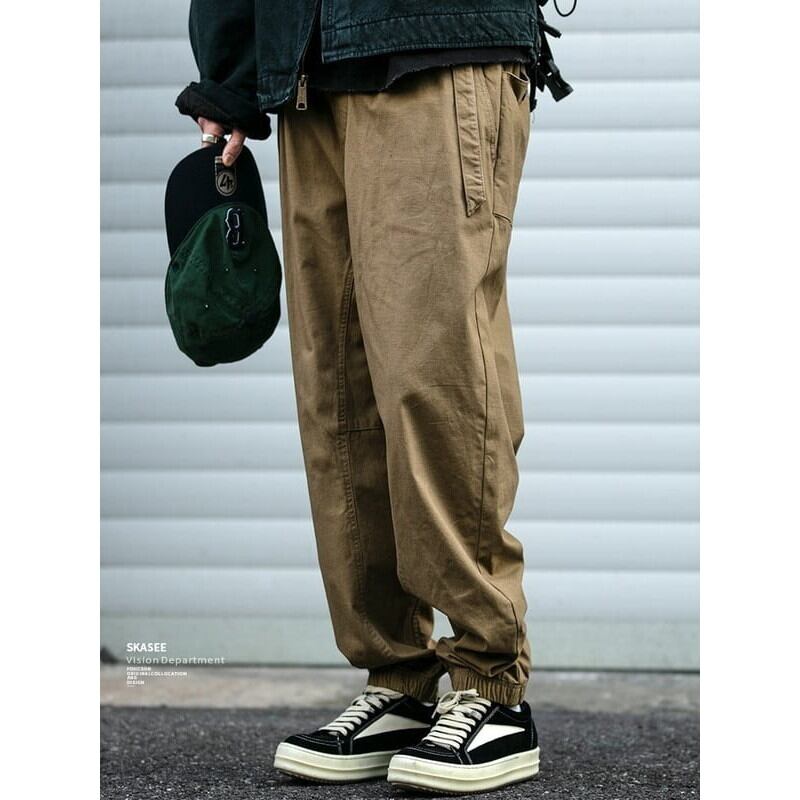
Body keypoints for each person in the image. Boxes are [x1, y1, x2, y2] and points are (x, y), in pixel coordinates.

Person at [177, 1, 571, 793]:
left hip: (432, 41)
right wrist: (230, 72)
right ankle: (398, 676)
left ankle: (490, 683)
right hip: (309, 64)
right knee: (340, 393)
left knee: (433, 375)